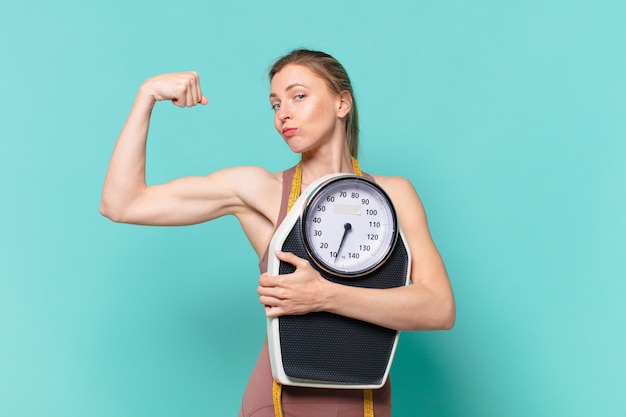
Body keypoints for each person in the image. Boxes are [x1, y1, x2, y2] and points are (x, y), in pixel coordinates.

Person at [100, 49, 455, 417]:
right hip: (279, 403)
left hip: (366, 402)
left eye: (298, 96)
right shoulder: (260, 191)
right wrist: (147, 96)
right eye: (274, 104)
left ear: (341, 103)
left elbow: (439, 308)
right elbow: (121, 203)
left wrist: (324, 296)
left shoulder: (395, 195)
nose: (283, 113)